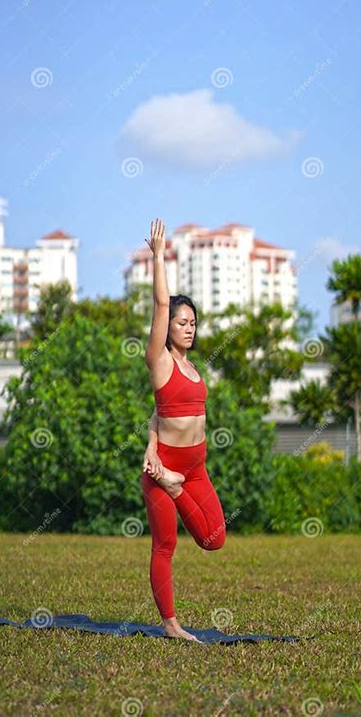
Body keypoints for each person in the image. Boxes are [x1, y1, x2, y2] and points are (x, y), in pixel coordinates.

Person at [141, 217, 226, 642]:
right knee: (166, 546)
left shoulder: (192, 368)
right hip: (164, 472)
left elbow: (160, 412)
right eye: (181, 321)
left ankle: (179, 490)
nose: (188, 327)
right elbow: (159, 304)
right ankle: (171, 624)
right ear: (167, 327)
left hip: (194, 469)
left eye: (193, 322)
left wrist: (151, 435)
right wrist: (159, 256)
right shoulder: (159, 361)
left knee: (214, 539)